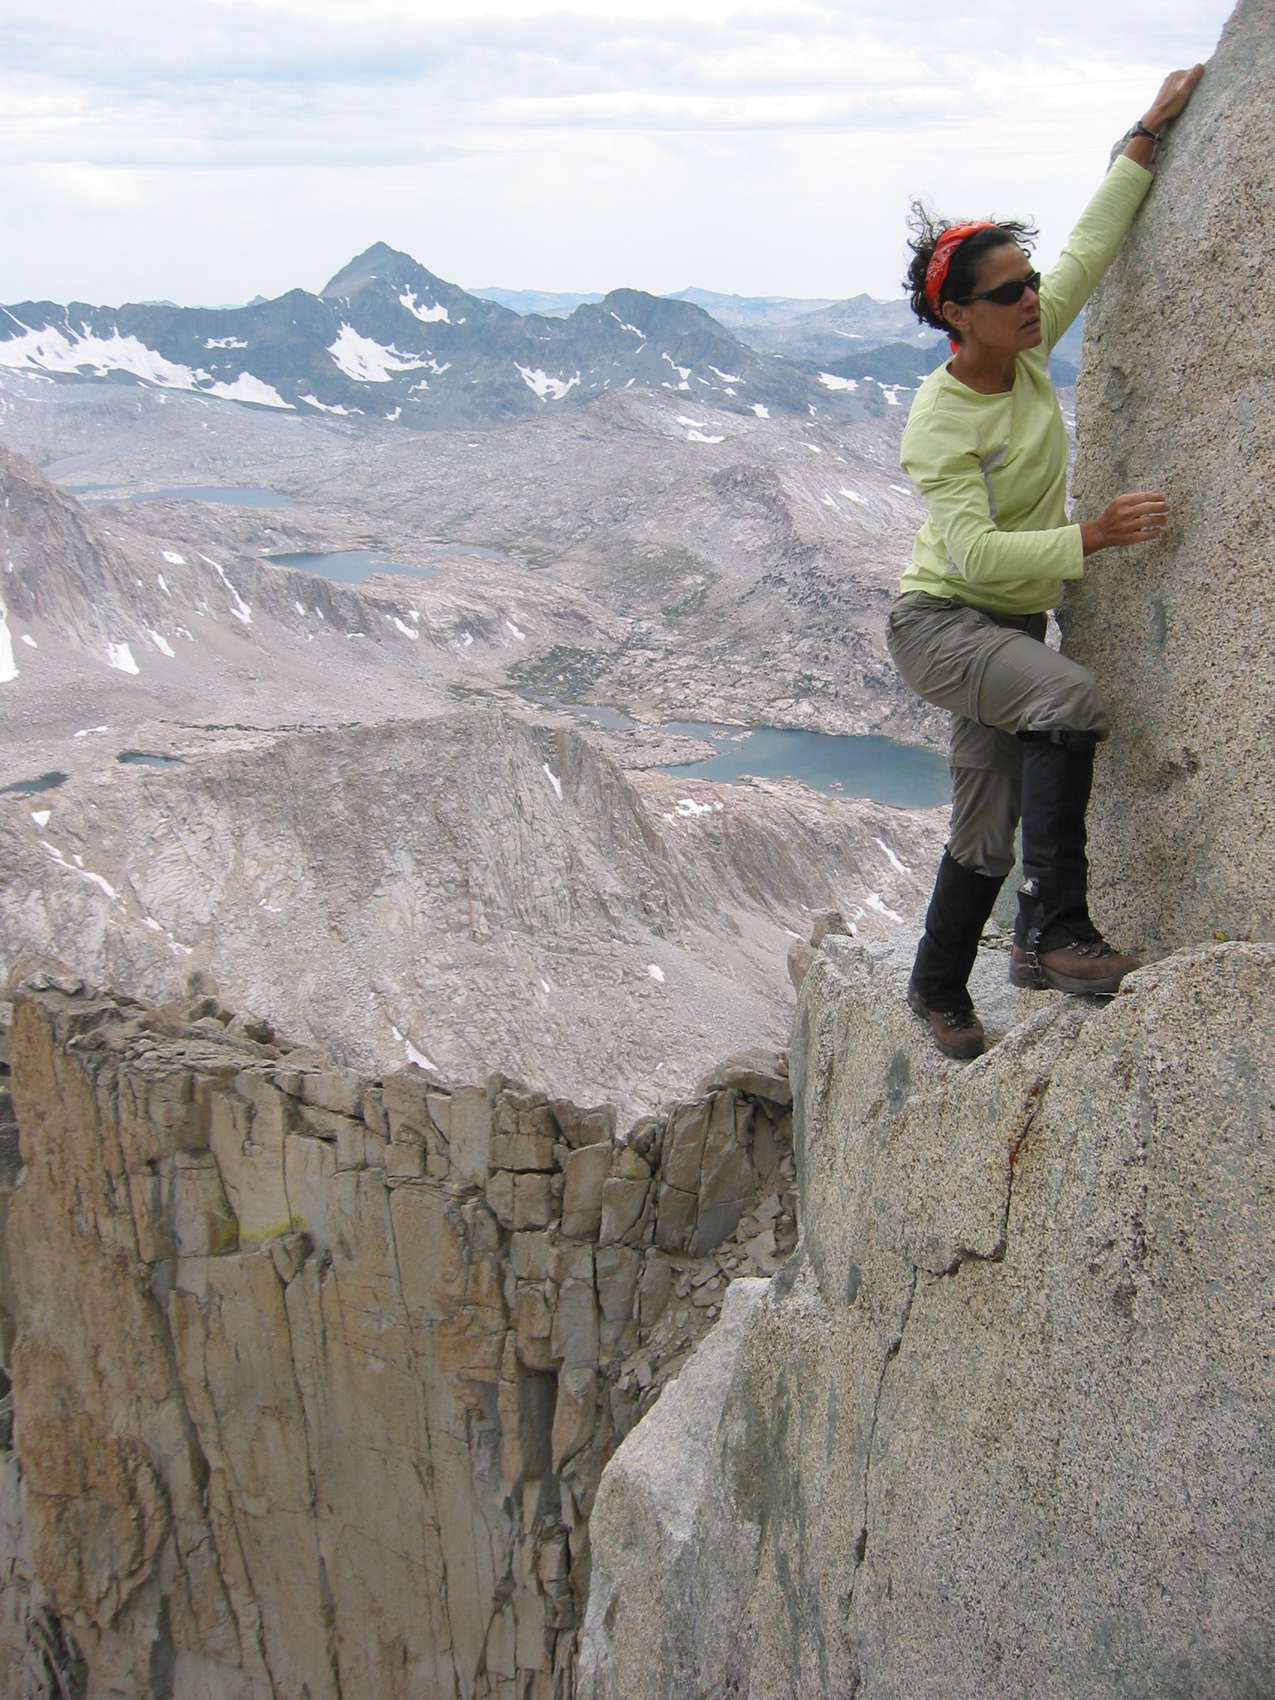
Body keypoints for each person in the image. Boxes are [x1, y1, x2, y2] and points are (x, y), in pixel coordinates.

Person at [887, 66, 1205, 1060]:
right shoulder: (941, 418)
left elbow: (1090, 248)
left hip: (1006, 626)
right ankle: (1051, 933)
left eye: (1027, 283)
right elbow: (973, 551)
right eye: (1008, 291)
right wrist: (1092, 537)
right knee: (1067, 697)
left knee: (985, 825)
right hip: (943, 625)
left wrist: (1145, 133)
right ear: (958, 315)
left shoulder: (1024, 348)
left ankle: (936, 986)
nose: (1031, 298)